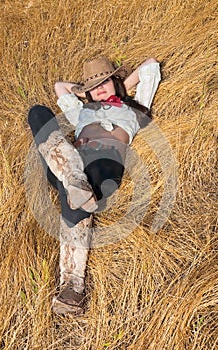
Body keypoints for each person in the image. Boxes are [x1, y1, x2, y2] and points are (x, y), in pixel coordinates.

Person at [28, 55, 161, 316]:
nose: (98, 88)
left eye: (104, 81)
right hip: (67, 162)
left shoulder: (135, 108)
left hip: (104, 167)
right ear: (86, 93)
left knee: (76, 191)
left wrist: (120, 86)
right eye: (93, 87)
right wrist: (86, 89)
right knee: (38, 113)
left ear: (115, 81)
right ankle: (74, 179)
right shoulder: (82, 112)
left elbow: (150, 65)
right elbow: (60, 87)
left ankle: (71, 287)